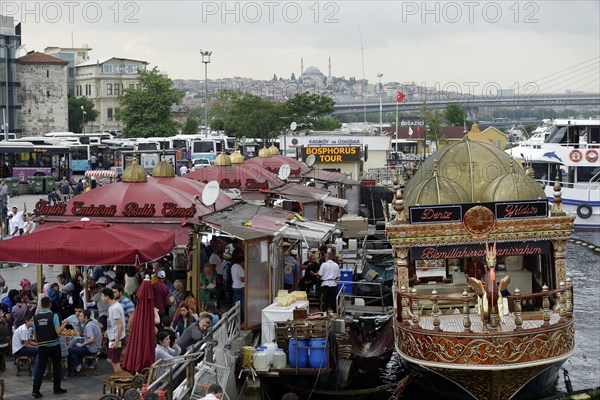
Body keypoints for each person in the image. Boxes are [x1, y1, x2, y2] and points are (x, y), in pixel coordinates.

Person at [32, 296, 68, 398]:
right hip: (54, 345)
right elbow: (58, 331)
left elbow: (35, 333)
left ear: (41, 305)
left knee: (40, 368)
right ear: (50, 305)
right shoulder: (54, 316)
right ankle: (57, 387)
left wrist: (39, 342)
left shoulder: (35, 318)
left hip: (42, 346)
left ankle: (35, 390)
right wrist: (64, 324)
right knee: (56, 366)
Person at [67, 309, 102, 376]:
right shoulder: (91, 323)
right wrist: (79, 326)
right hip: (95, 346)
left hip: (92, 348)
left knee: (70, 350)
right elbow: (82, 335)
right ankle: (77, 366)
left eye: (80, 316)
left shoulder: (89, 326)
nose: (79, 317)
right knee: (75, 344)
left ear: (85, 317)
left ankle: (78, 367)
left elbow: (91, 339)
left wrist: (81, 345)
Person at [101, 288, 125, 373]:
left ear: (107, 297)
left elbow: (120, 325)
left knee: (114, 361)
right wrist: (108, 331)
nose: (101, 298)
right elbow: (112, 322)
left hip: (116, 338)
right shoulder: (112, 307)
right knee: (110, 359)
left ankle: (120, 377)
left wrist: (116, 340)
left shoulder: (115, 308)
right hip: (112, 337)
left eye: (102, 296)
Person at [230, 254, 245, 323]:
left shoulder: (233, 266)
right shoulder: (239, 268)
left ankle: (233, 317)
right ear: (242, 261)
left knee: (235, 303)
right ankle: (240, 319)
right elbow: (242, 279)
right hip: (240, 287)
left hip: (234, 286)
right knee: (240, 304)